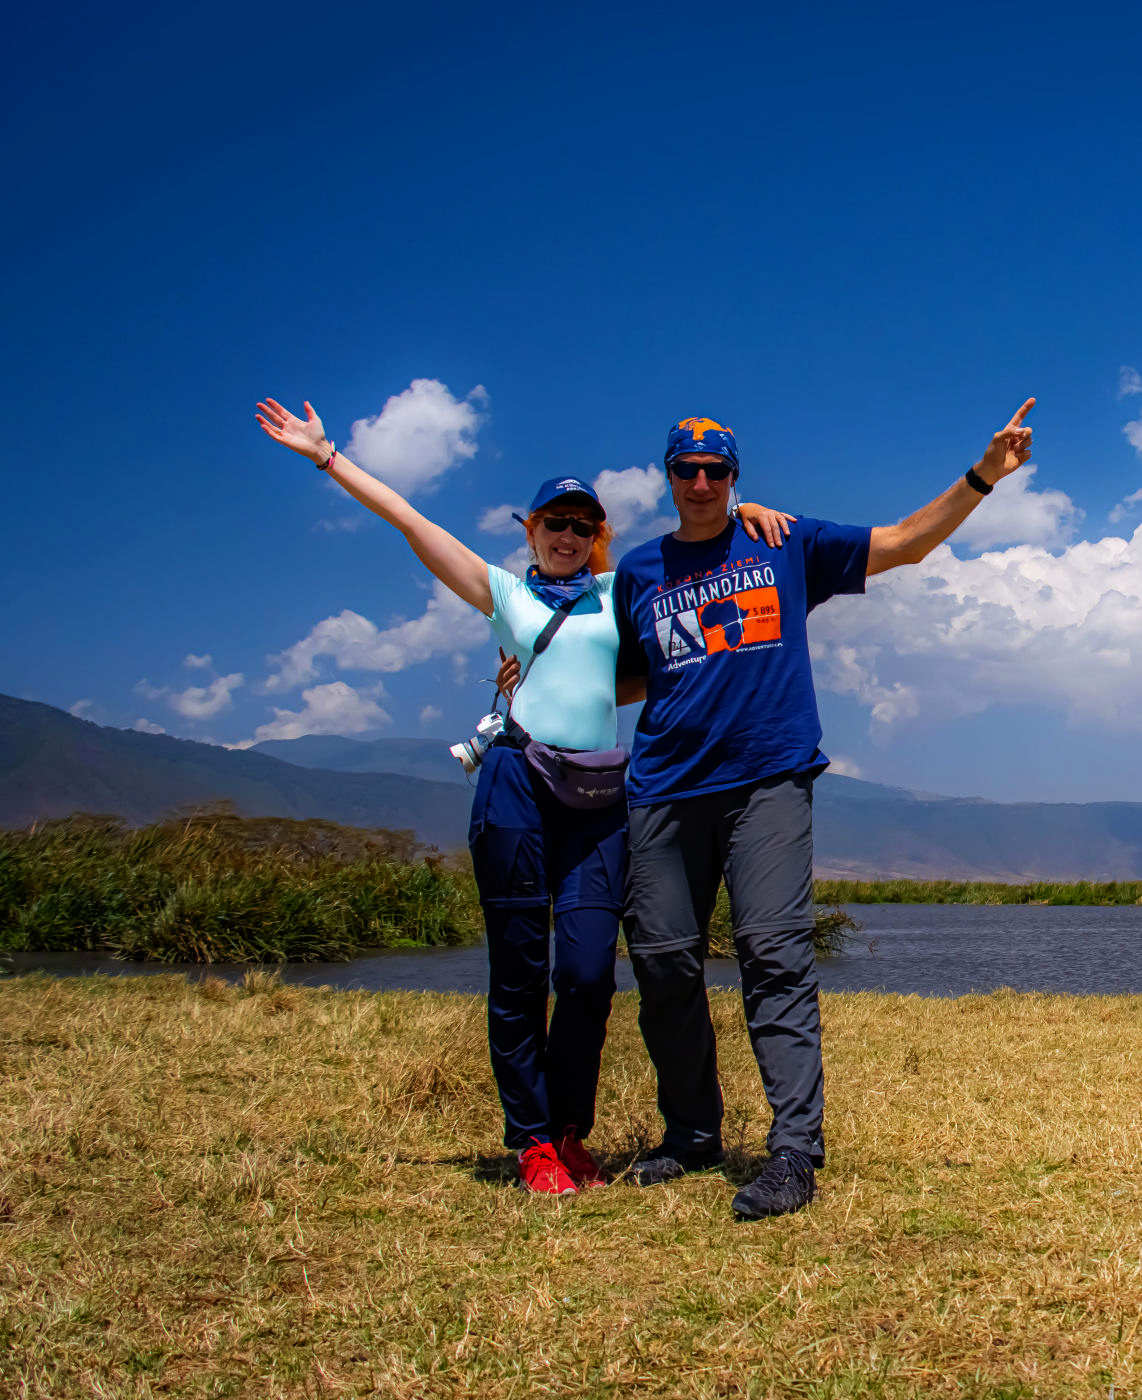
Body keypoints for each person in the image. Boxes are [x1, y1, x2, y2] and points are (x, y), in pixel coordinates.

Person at [252, 397, 792, 1195]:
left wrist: (741, 511)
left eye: (582, 525)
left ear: (597, 536)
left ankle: (570, 1130)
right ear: (532, 530)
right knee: (518, 970)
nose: (568, 535)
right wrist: (329, 457)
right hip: (515, 783)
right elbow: (409, 520)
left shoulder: (617, 591)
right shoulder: (505, 593)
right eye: (554, 523)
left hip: (598, 795)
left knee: (586, 974)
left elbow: (689, 581)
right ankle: (535, 1143)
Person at [616, 400, 1035, 1218]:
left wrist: (985, 474)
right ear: (667, 476)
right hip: (663, 788)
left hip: (767, 781)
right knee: (663, 963)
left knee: (773, 956)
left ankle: (793, 1153)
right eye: (685, 470)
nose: (700, 484)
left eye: (715, 471)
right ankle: (692, 1134)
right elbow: (634, 676)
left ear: (734, 477)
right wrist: (535, 682)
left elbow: (905, 543)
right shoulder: (638, 571)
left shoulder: (783, 543)